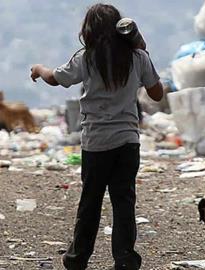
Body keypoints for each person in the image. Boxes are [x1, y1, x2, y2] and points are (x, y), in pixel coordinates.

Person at [30, 4, 163, 270]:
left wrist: (38, 68)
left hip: (96, 143)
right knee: (123, 201)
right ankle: (125, 260)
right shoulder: (137, 57)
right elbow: (157, 94)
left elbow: (56, 79)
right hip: (128, 142)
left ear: (88, 30)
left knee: (90, 202)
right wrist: (143, 49)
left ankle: (77, 258)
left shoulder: (86, 58)